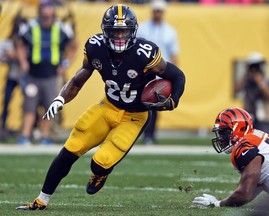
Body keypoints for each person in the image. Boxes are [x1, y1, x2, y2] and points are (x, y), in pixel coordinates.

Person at [16, 4, 185, 210]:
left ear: (133, 31)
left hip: (135, 115)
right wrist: (61, 98)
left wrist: (173, 101)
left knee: (100, 162)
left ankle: (99, 173)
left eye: (124, 31)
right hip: (108, 107)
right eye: (115, 31)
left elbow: (177, 76)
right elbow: (78, 80)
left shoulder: (145, 52)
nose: (120, 36)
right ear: (106, 31)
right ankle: (41, 200)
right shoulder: (96, 46)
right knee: (69, 150)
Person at [193, 107, 269, 208]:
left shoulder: (245, 146)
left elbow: (244, 193)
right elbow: (254, 185)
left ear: (240, 129)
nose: (220, 138)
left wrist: (217, 204)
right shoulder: (257, 137)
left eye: (224, 132)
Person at [16, 2, 78, 145]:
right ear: (39, 14)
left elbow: (74, 46)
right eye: (44, 16)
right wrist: (23, 62)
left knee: (49, 106)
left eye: (49, 16)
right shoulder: (31, 26)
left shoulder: (62, 28)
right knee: (29, 106)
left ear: (53, 16)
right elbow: (19, 44)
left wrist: (65, 64)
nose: (46, 19)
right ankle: (25, 136)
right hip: (33, 73)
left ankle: (45, 137)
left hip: (52, 75)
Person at [137, 0, 179, 144]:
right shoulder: (142, 28)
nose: (158, 13)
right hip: (144, 70)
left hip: (162, 71)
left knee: (155, 102)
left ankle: (150, 134)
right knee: (138, 100)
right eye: (156, 10)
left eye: (160, 11)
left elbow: (174, 54)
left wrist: (174, 75)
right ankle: (138, 132)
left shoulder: (170, 31)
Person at [234, 52, 269, 136]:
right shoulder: (247, 79)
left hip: (264, 117)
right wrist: (245, 73)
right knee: (247, 139)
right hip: (248, 115)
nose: (255, 69)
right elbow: (236, 89)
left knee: (265, 139)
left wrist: (260, 82)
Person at [0, 12, 26, 141]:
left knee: (29, 103)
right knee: (6, 101)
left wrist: (15, 55)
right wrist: (8, 56)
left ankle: (27, 129)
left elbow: (28, 57)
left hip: (24, 76)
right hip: (12, 75)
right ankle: (3, 127)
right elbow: (3, 58)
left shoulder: (27, 42)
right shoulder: (7, 43)